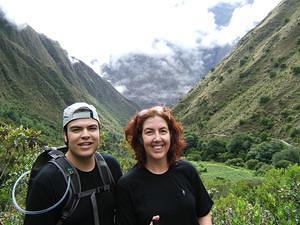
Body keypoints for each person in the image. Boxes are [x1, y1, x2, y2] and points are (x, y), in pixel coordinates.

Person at [24, 102, 122, 225]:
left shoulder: (110, 166)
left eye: (92, 128)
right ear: (65, 135)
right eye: (76, 129)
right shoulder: (48, 179)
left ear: (99, 133)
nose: (85, 135)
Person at [116, 106, 213, 225]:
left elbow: (203, 213)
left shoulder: (187, 171)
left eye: (163, 131)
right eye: (149, 132)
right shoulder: (127, 185)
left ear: (171, 135)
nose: (157, 138)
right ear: (141, 138)